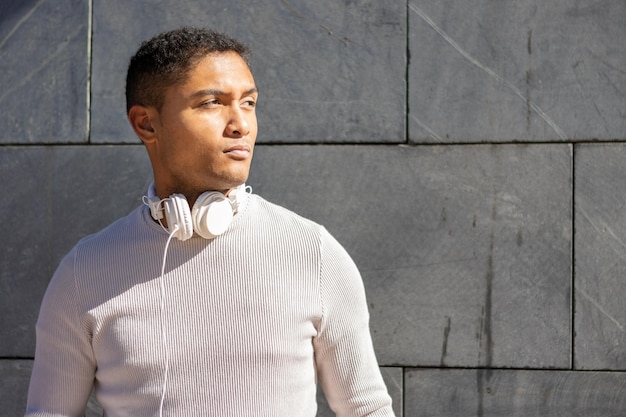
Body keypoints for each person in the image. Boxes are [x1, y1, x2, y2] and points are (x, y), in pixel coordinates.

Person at [25, 27, 395, 417]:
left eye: (249, 103)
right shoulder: (85, 269)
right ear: (147, 124)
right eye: (213, 103)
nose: (242, 125)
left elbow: (366, 409)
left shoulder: (312, 251)